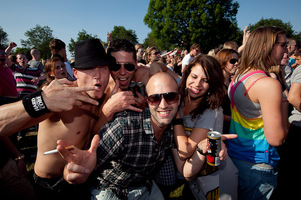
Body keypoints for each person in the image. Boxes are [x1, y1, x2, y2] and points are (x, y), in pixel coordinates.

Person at [58, 72, 181, 199]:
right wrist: (76, 169)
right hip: (110, 190)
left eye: (170, 97)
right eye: (155, 98)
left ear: (179, 99)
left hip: (144, 187)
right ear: (147, 101)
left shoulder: (174, 129)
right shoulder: (124, 128)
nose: (163, 105)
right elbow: (89, 161)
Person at [227, 26, 289, 199]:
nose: (287, 50)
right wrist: (284, 99)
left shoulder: (240, 73)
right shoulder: (267, 84)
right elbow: (276, 138)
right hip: (258, 162)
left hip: (237, 155)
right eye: (283, 45)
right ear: (266, 46)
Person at [172, 55, 238, 199]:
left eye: (205, 80)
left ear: (212, 84)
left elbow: (186, 150)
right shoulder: (179, 97)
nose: (197, 84)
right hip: (191, 175)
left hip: (215, 178)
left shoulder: (211, 111)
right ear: (187, 74)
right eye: (194, 76)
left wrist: (175, 114)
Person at [0, 47, 35, 200]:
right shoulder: (11, 68)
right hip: (5, 104)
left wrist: (17, 155)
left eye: (3, 54)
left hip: (13, 103)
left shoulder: (7, 68)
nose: (2, 56)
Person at [271, 46, 301, 200]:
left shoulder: (281, 76)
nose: (286, 54)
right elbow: (276, 137)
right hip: (287, 129)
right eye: (282, 47)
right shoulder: (271, 80)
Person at [215, 49, 239, 135]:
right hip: (221, 131)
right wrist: (236, 119)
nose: (236, 63)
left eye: (237, 61)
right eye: (232, 61)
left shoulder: (232, 82)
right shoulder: (216, 84)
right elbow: (215, 113)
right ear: (223, 62)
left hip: (232, 129)